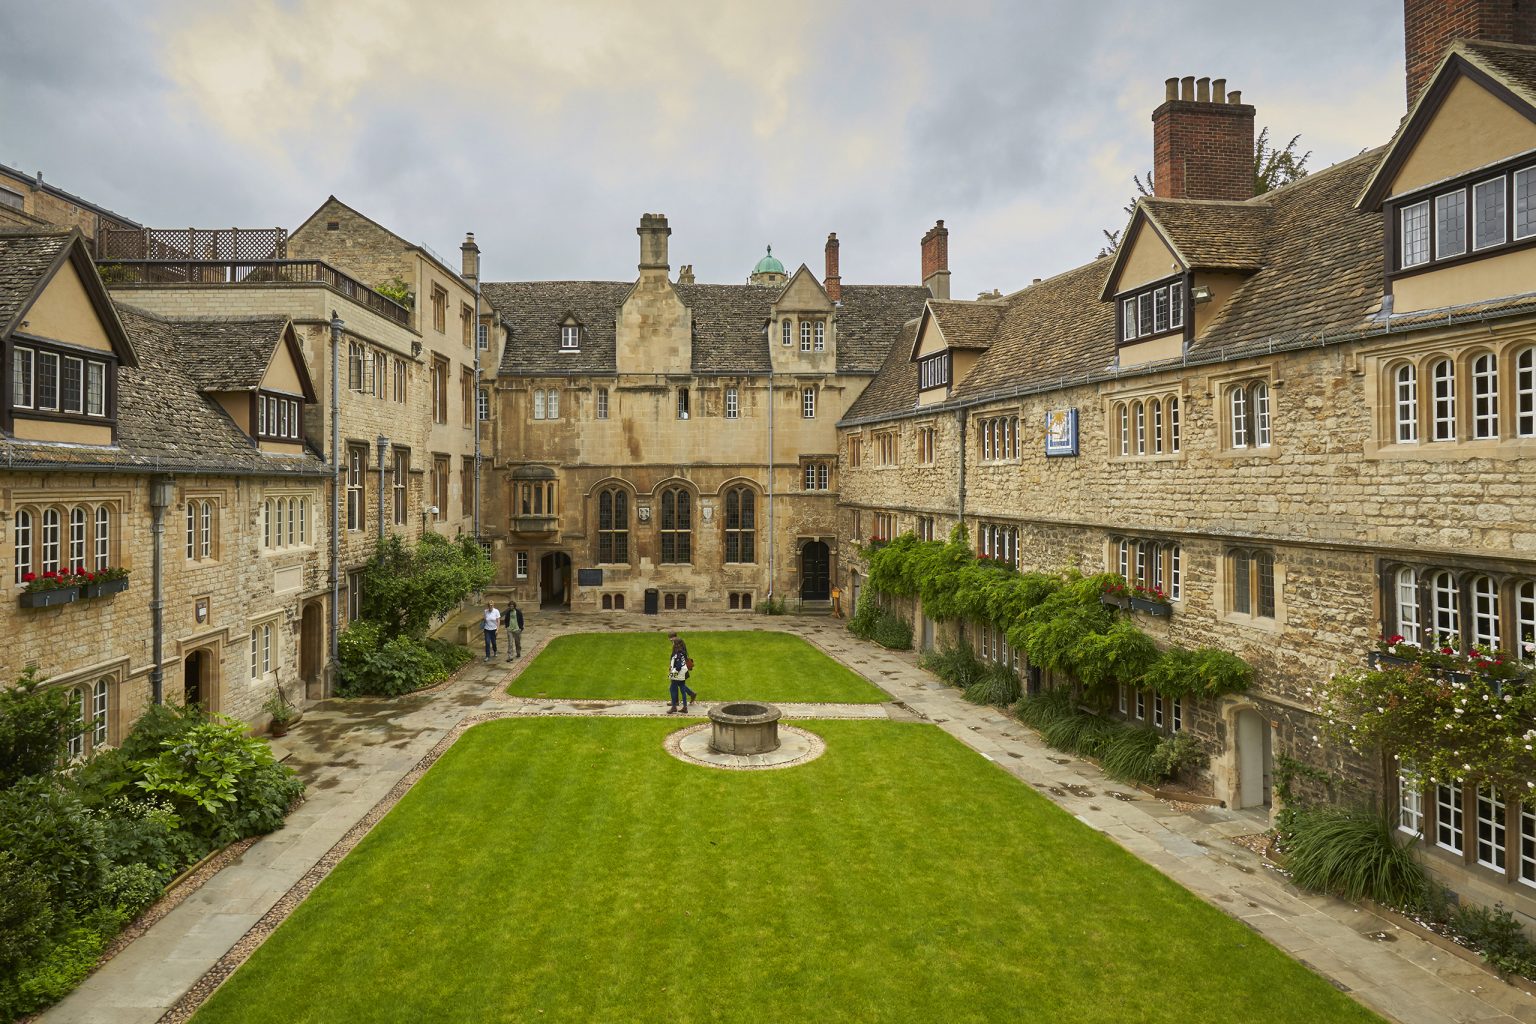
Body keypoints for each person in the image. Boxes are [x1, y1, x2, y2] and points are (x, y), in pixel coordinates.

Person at [667, 631, 697, 712]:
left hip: (679, 670)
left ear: (674, 637)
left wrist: (673, 670)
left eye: (671, 639)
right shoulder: (679, 644)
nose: (671, 641)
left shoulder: (678, 646)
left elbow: (678, 660)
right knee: (680, 685)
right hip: (682, 669)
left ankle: (675, 704)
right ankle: (689, 696)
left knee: (674, 686)